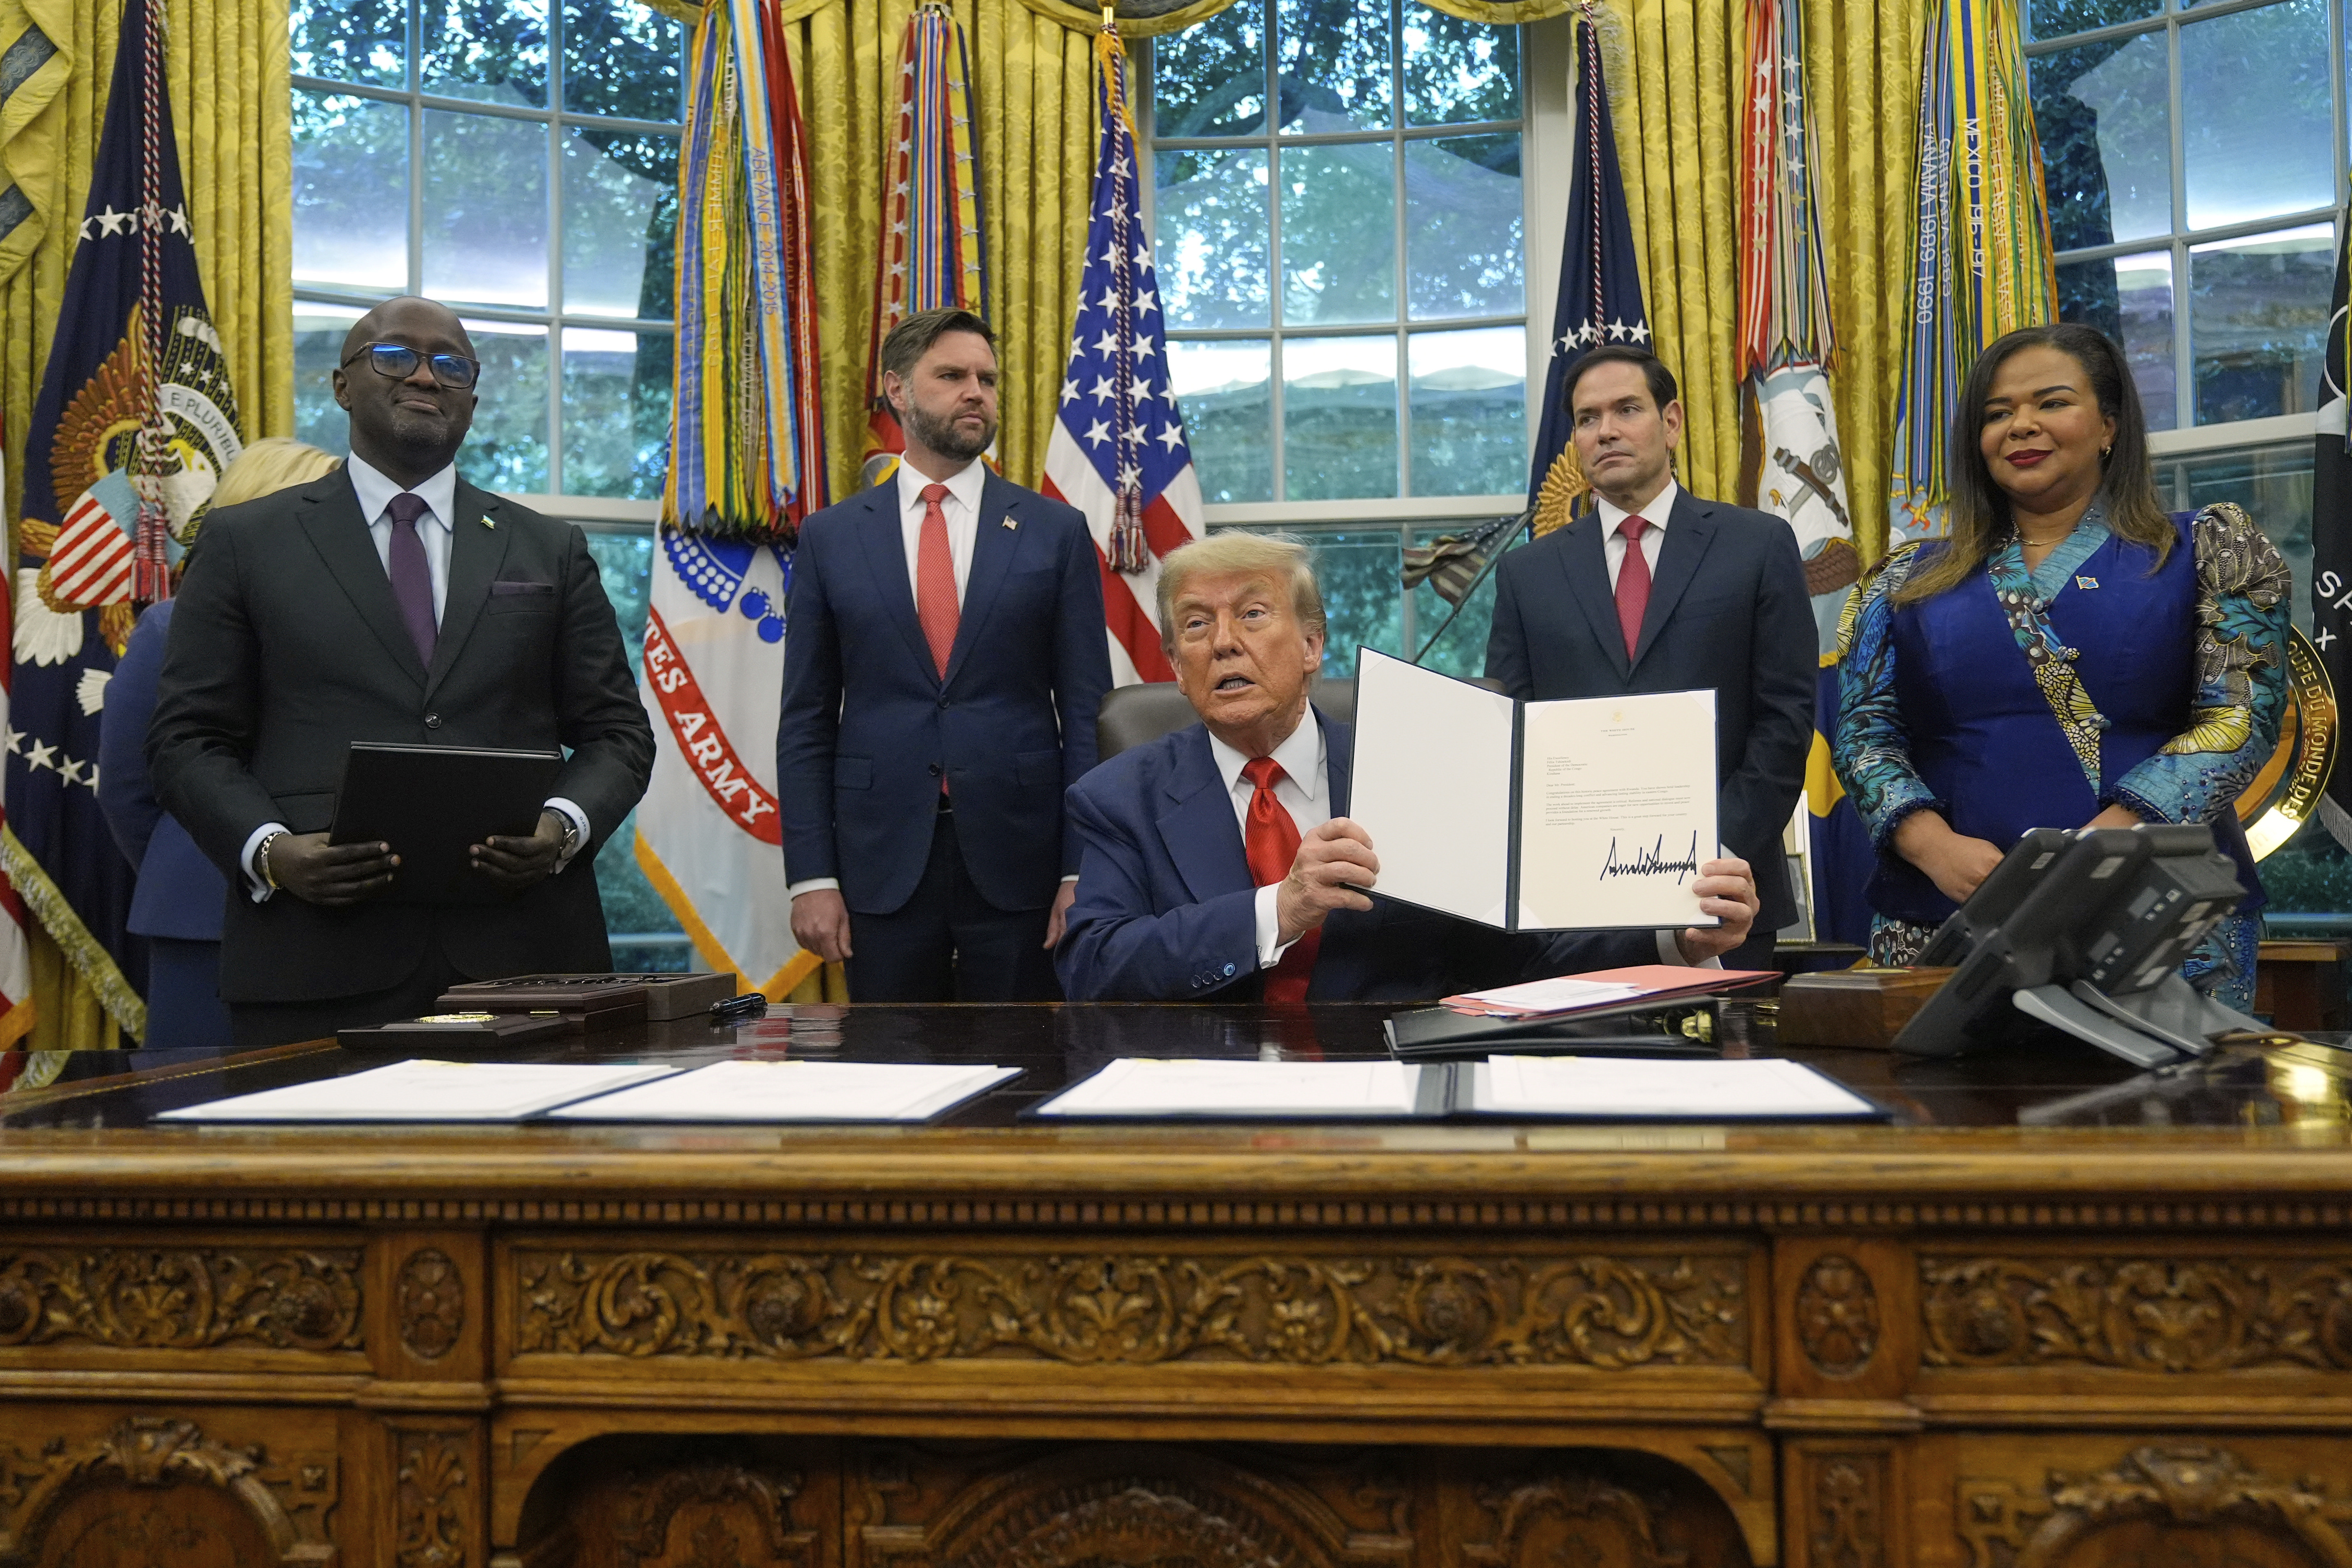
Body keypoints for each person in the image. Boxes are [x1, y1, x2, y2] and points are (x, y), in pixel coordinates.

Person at [147, 296, 655, 1046]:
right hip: (316, 958)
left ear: (474, 401)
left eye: (451, 364)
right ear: (343, 385)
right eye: (395, 357)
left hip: (528, 962)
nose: (425, 376)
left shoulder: (550, 548)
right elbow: (186, 739)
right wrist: (273, 851)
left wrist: (563, 828)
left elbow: (618, 732)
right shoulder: (244, 541)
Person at [1058, 532, 1759, 1002]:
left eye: (1253, 613)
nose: (1226, 643)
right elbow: (1092, 967)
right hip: (1203, 1104)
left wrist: (1676, 931)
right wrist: (1281, 908)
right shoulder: (1120, 795)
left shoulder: (1429, 768)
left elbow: (1522, 956)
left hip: (1393, 1093)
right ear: (1177, 668)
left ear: (1311, 645)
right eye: (1197, 626)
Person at [1832, 323, 2289, 1009]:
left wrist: (2102, 849)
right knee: (1946, 1113)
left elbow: (2240, 718)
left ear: (2109, 424)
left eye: (2050, 403)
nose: (2021, 426)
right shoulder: (1902, 580)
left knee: (2173, 1114)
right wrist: (1930, 845)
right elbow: (1865, 737)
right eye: (1997, 413)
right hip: (1942, 915)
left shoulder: (2210, 549)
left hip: (2159, 916)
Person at [777, 307, 1112, 1002]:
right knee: (889, 1085)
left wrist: (1083, 872)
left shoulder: (1055, 531)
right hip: (879, 863)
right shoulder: (831, 537)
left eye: (987, 379)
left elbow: (1086, 714)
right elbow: (807, 719)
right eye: (953, 375)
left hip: (1023, 862)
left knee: (1023, 1078)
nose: (976, 393)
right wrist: (813, 876)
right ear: (898, 391)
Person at [1483, 347, 1815, 971]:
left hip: (1724, 899)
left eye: (1626, 409)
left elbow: (1784, 724)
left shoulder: (1758, 544)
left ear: (1671, 422)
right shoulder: (1527, 572)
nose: (1604, 430)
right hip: (1572, 912)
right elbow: (1515, 732)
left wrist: (1704, 856)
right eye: (1587, 418)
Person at [99, 438, 345, 1049]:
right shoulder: (169, 625)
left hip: (337, 921)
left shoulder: (353, 627)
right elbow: (129, 789)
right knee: (197, 1116)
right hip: (205, 921)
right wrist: (212, 859)